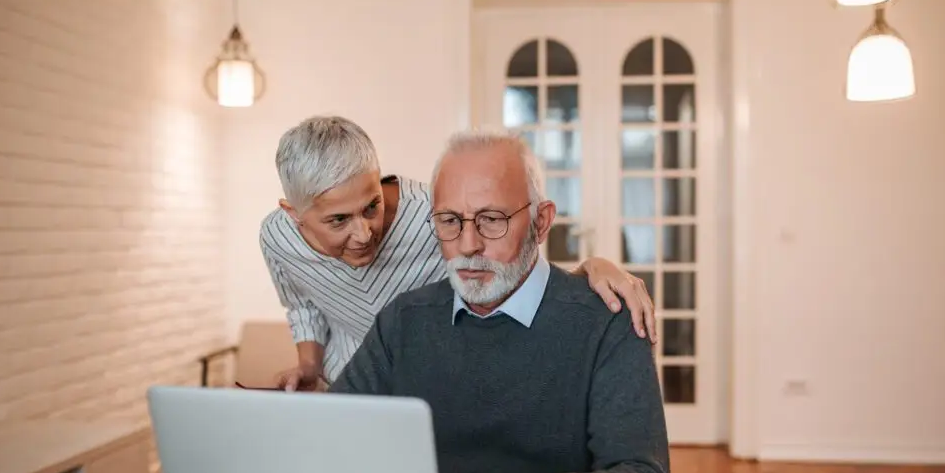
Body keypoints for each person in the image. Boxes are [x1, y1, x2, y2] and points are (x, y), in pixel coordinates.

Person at [329, 128, 673, 473]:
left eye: (491, 220)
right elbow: (328, 441)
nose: (468, 244)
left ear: (541, 221)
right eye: (449, 221)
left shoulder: (606, 319)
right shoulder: (404, 321)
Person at [259, 115, 658, 388]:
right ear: (293, 215)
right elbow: (302, 305)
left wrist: (589, 269)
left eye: (372, 206)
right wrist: (309, 367)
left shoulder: (438, 214)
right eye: (338, 221)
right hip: (348, 386)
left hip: (439, 386)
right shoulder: (276, 240)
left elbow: (512, 266)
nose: (364, 233)